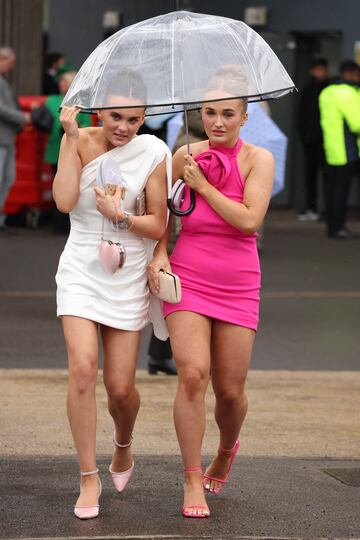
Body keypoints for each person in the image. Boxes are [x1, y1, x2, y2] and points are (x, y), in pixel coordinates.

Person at [148, 66, 274, 518]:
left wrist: (204, 186)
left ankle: (225, 448)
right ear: (199, 114)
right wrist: (160, 251)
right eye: (209, 113)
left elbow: (248, 221)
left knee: (230, 392)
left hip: (239, 280)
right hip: (190, 275)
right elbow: (164, 211)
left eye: (227, 114)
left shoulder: (258, 159)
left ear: (244, 116)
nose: (217, 122)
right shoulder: (183, 153)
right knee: (193, 374)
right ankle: (191, 476)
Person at [53, 69, 170, 519]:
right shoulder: (78, 139)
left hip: (127, 269)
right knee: (83, 369)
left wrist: (120, 216)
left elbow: (159, 224)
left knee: (120, 389)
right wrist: (68, 138)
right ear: (100, 110)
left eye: (134, 120)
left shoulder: (154, 152)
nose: (123, 128)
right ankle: (87, 476)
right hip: (81, 265)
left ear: (144, 119)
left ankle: (123, 443)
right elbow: (63, 202)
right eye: (116, 117)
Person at [44, 71, 91, 234]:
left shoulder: (81, 104)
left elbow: (86, 128)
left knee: (75, 184)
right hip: (55, 148)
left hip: (75, 150)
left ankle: (70, 223)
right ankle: (57, 223)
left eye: (64, 81)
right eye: (60, 81)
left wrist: (74, 126)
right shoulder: (51, 100)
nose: (61, 84)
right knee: (57, 184)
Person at [319, 60, 360, 238]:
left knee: (333, 189)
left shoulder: (327, 91)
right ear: (349, 74)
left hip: (331, 148)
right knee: (341, 190)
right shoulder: (347, 92)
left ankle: (333, 226)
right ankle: (339, 228)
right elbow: (357, 123)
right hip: (347, 148)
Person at [0, 46, 29, 231]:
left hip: (6, 138)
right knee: (4, 178)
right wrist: (23, 118)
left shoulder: (3, 80)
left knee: (8, 178)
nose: (11, 67)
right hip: (2, 139)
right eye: (10, 63)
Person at [297, 58, 329, 221]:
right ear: (312, 71)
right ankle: (311, 207)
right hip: (310, 140)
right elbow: (301, 114)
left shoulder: (329, 88)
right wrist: (303, 134)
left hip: (327, 141)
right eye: (317, 69)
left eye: (322, 69)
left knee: (328, 177)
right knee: (310, 176)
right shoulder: (307, 89)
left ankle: (328, 210)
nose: (320, 73)